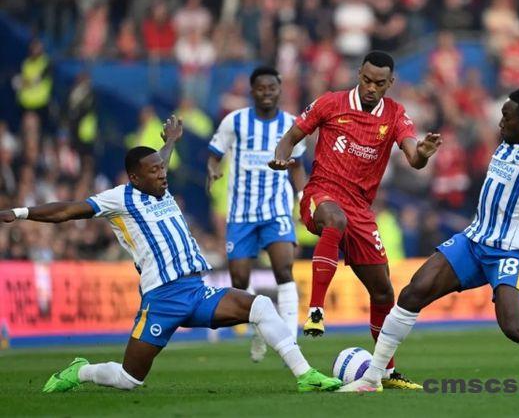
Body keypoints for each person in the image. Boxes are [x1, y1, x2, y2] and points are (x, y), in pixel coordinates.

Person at [0, 116, 341, 393]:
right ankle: (82, 371)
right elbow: (68, 210)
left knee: (261, 306)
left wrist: (172, 140)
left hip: (196, 290)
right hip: (161, 299)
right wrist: (20, 212)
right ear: (135, 178)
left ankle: (305, 375)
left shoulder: (158, 184)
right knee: (129, 379)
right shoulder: (119, 199)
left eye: (162, 169)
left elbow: (159, 160)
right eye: (154, 171)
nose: (162, 173)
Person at [339, 88, 519, 392]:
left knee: (513, 326)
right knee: (413, 292)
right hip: (474, 241)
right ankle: (373, 377)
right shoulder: (509, 139)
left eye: (507, 117)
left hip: (509, 252)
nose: (500, 122)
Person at [270, 51, 441, 389]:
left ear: (390, 83)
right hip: (322, 194)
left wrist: (422, 153)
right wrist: (280, 157)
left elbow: (413, 157)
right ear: (359, 74)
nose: (371, 88)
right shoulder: (330, 103)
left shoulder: (395, 114)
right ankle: (316, 310)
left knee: (383, 293)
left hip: (361, 211)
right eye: (366, 80)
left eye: (379, 83)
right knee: (335, 220)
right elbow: (291, 137)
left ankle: (387, 372)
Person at [206, 67, 306, 362]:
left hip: (276, 210)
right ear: (252, 91)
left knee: (284, 270)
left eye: (271, 88)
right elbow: (214, 154)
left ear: (279, 90)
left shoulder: (292, 124)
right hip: (241, 214)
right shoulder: (234, 121)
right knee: (239, 280)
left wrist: (302, 197)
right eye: (261, 88)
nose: (266, 93)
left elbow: (298, 166)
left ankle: (291, 340)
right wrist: (213, 170)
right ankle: (260, 331)